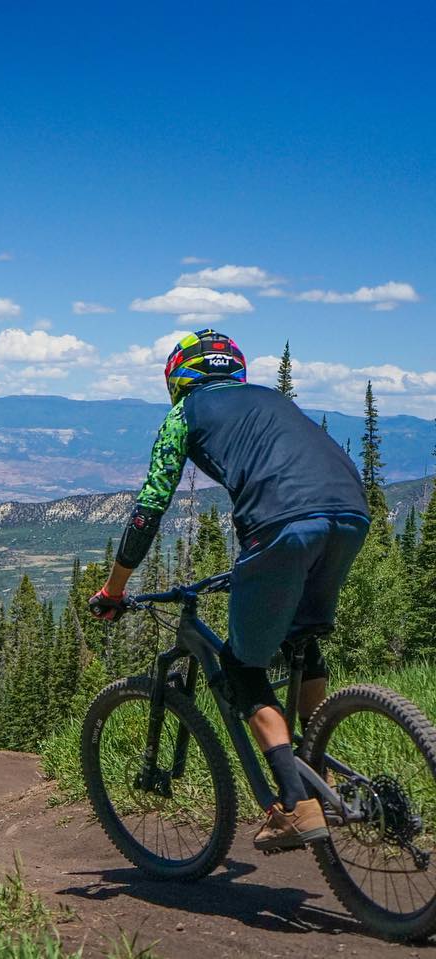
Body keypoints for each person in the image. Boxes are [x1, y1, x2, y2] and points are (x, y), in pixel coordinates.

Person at [89, 329, 369, 852]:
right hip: (351, 513)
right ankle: (319, 768)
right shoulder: (272, 398)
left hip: (281, 523)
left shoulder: (185, 413)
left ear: (178, 376)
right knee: (303, 638)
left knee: (243, 667)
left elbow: (151, 504)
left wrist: (114, 587)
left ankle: (293, 803)